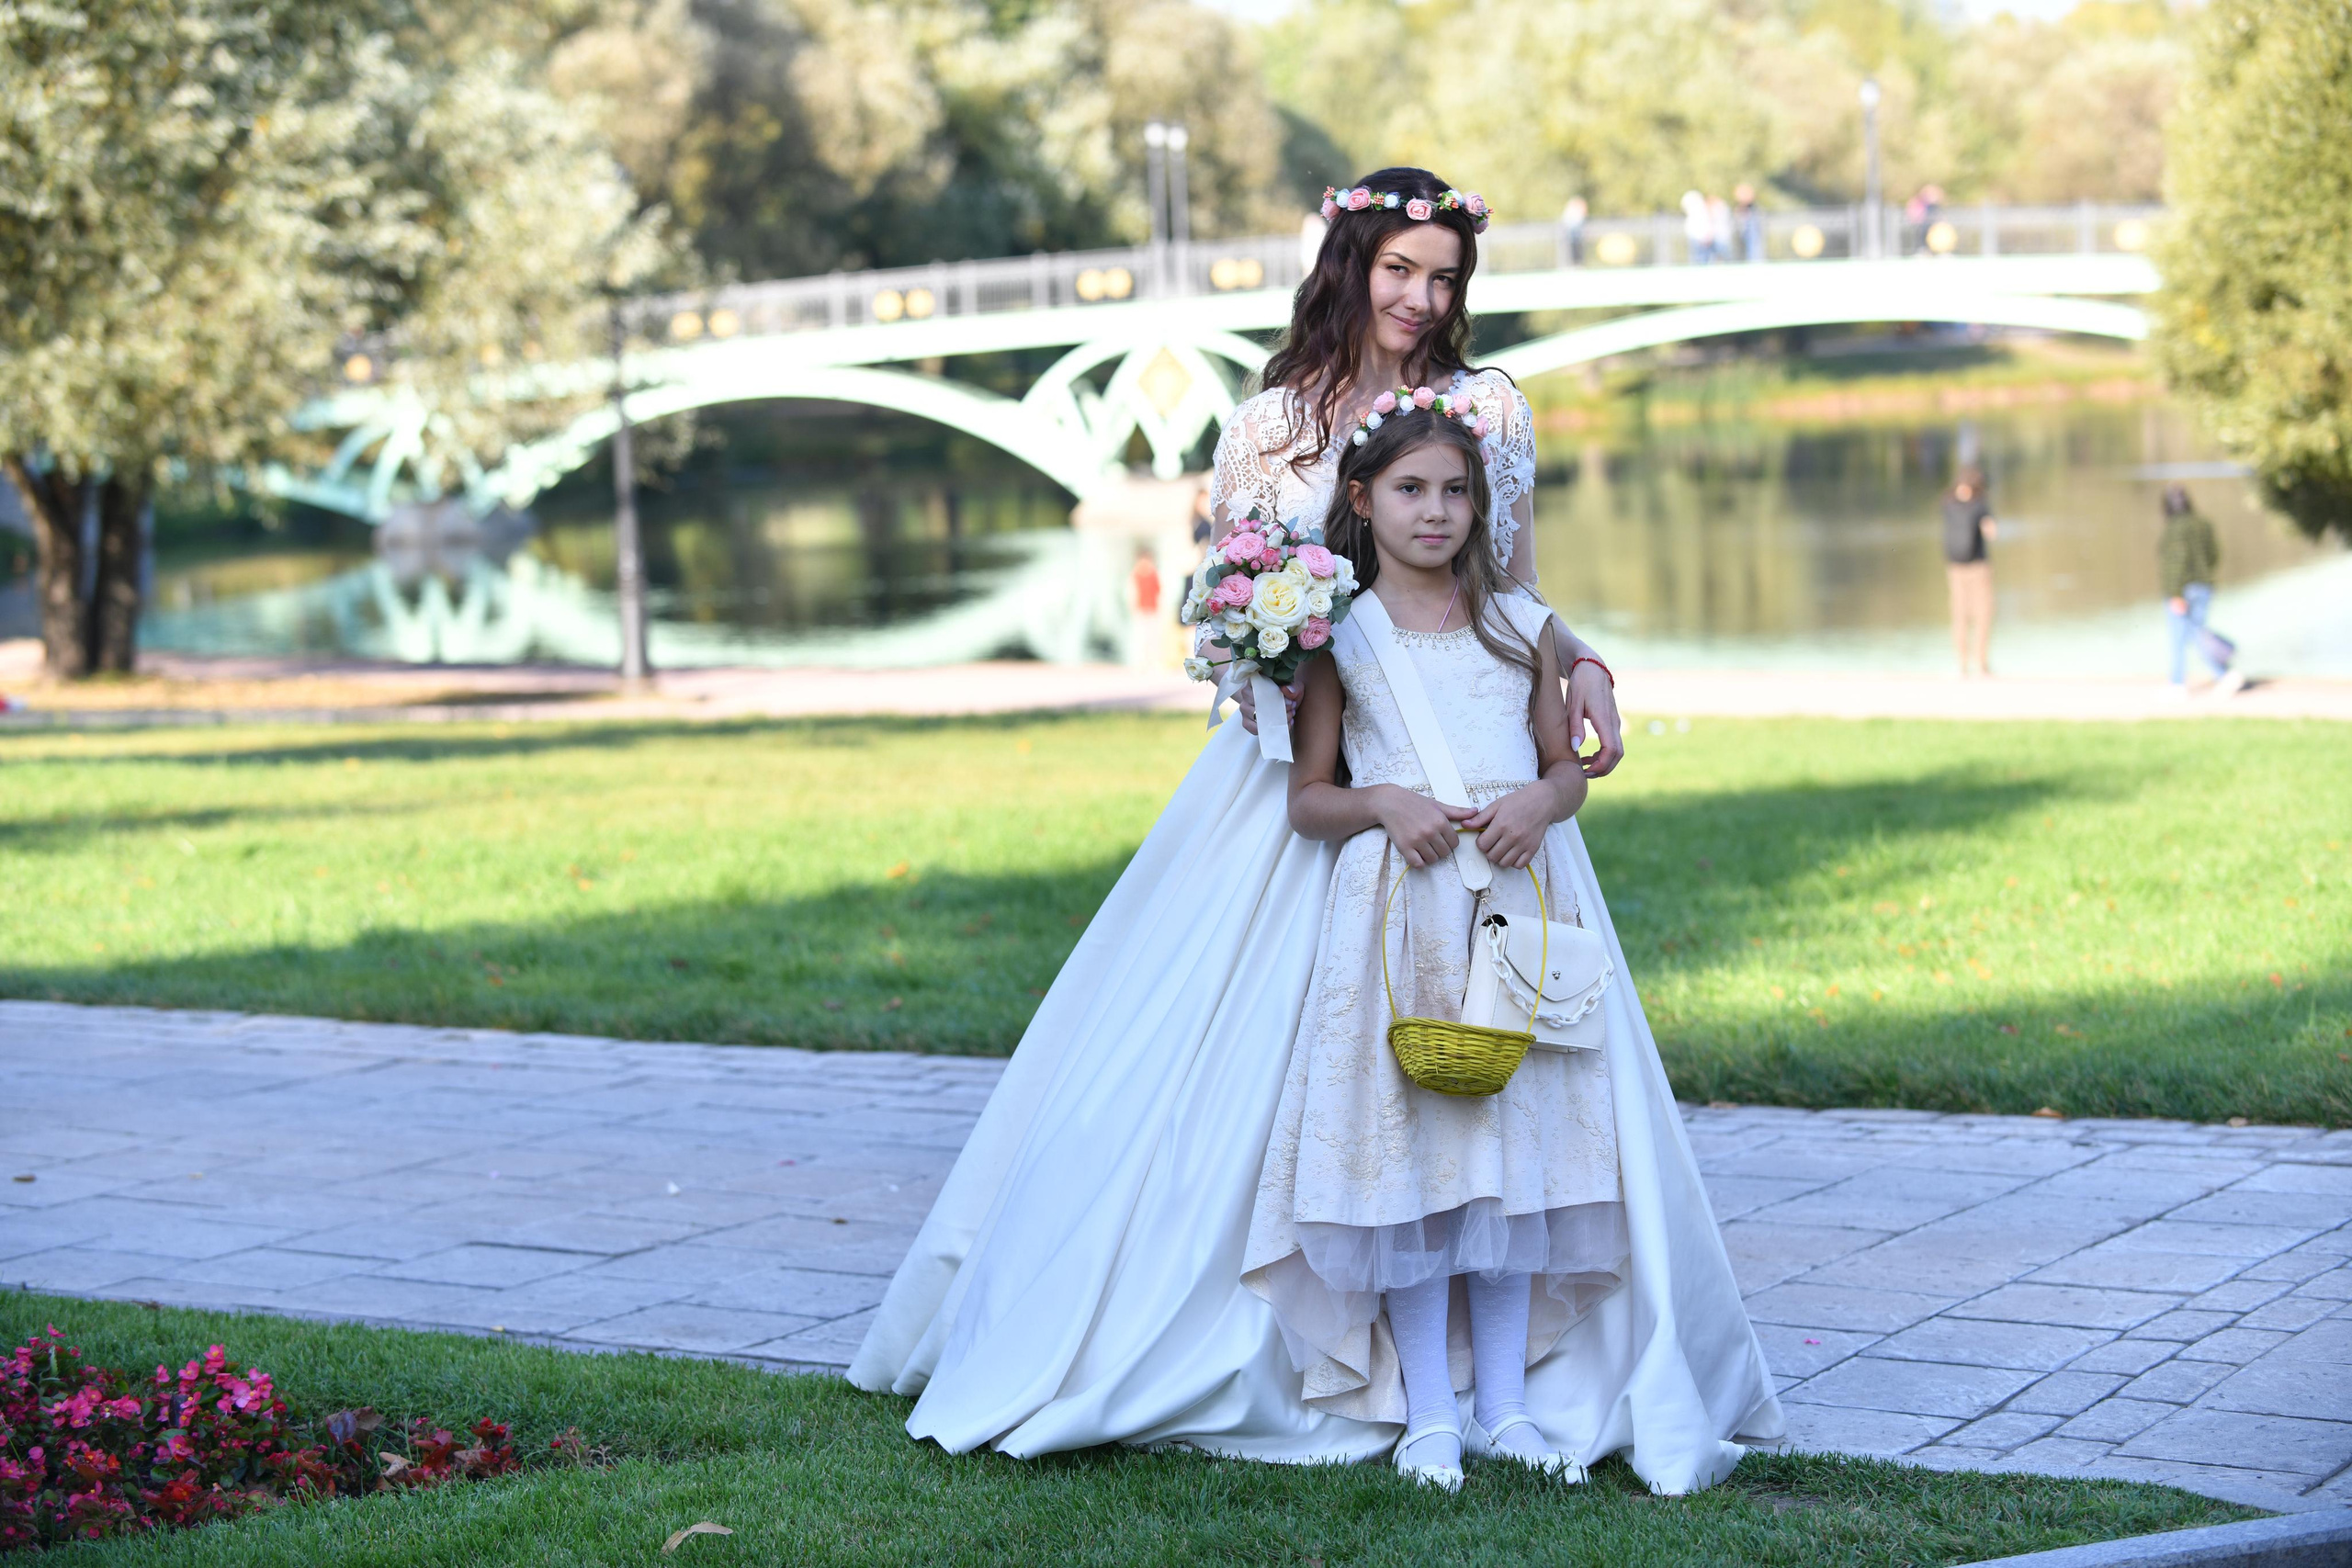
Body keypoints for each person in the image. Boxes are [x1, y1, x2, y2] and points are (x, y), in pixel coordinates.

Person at [850, 167, 1773, 1495]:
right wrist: (1268, 651)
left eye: (1444, 277)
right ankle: (1260, 1344)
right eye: (1401, 269)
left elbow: (1510, 592)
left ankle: (1519, 1377)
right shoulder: (1271, 421)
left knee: (1501, 1074)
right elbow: (1233, 598)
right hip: (1312, 767)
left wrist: (1585, 663)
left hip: (1461, 776)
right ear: (1349, 262)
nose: (1422, 297)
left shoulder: (1488, 409)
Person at [1246, 399, 1691, 1491]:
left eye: (1454, 491)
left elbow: (1565, 765)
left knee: (1511, 1151)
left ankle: (1504, 1407)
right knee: (1415, 1151)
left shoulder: (1521, 625)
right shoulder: (1338, 638)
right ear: (1361, 501)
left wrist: (1548, 801)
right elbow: (1309, 799)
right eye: (1409, 491)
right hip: (1399, 918)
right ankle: (1430, 1415)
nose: (1435, 512)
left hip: (1513, 911)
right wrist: (1382, 801)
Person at [2159, 484, 2244, 694]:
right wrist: (2203, 575)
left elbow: (2176, 561)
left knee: (2182, 636)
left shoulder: (2175, 528)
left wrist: (2176, 592)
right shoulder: (2203, 524)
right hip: (2204, 586)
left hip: (2183, 588)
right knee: (2197, 632)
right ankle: (2222, 674)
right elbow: (2214, 554)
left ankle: (2180, 684)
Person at [1941, 465, 1997, 677]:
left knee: (1959, 615)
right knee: (1982, 614)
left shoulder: (1946, 503)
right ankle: (1981, 664)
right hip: (1978, 566)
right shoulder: (1979, 505)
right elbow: (1991, 532)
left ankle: (1961, 664)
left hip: (1955, 567)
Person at [1680, 189, 1715, 264]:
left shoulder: (1700, 212)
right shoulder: (1699, 212)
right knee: (1699, 258)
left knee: (1702, 258)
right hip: (1699, 238)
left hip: (1701, 238)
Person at [1733, 183, 1764, 263]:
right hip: (1744, 237)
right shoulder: (1739, 210)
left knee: (1755, 252)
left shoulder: (1754, 211)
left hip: (1753, 237)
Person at [1559, 195, 1588, 266]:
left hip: (1576, 236)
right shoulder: (1572, 215)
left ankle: (1577, 263)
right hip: (1573, 235)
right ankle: (1574, 263)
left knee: (1577, 248)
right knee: (1572, 248)